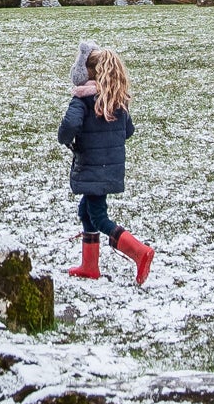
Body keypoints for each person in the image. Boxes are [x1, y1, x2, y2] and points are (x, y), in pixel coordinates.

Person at [58, 40, 154, 284]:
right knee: (86, 211)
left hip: (91, 166)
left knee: (99, 217)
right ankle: (90, 266)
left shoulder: (83, 100)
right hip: (108, 166)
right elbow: (128, 130)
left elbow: (69, 126)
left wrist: (66, 139)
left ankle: (140, 252)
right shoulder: (115, 99)